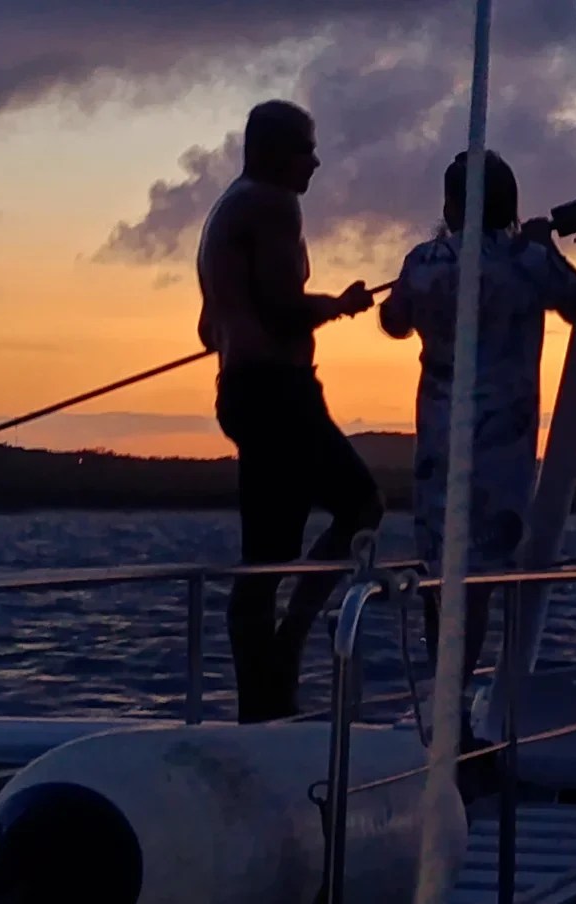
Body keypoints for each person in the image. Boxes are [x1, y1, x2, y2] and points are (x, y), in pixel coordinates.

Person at [379, 149, 576, 750]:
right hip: (503, 446)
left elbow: (394, 321)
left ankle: (444, 705)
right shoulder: (528, 261)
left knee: (443, 572)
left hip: (440, 441)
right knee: (479, 580)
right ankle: (454, 713)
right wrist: (546, 247)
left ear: (452, 205)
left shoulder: (424, 262)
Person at [197, 100, 386, 723]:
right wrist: (338, 305)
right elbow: (282, 312)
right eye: (306, 148)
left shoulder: (224, 210)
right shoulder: (274, 204)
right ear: (272, 151)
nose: (316, 161)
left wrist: (241, 325)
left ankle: (263, 701)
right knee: (361, 505)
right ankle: (288, 648)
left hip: (241, 391)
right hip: (279, 392)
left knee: (269, 552)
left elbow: (208, 329)